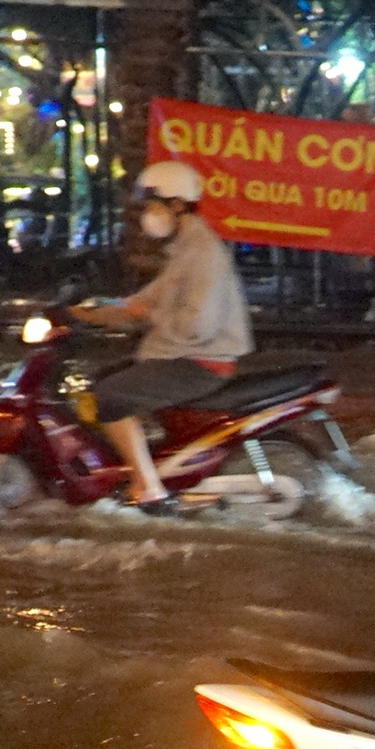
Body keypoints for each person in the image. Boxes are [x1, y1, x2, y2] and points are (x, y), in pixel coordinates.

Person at [68, 161, 251, 513]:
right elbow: (145, 301)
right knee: (99, 381)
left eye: (154, 207)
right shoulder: (184, 249)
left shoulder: (203, 254)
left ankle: (149, 488)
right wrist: (85, 312)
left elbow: (197, 326)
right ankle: (137, 465)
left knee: (108, 397)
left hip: (200, 363)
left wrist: (144, 314)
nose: (149, 216)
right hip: (179, 355)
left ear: (177, 206)